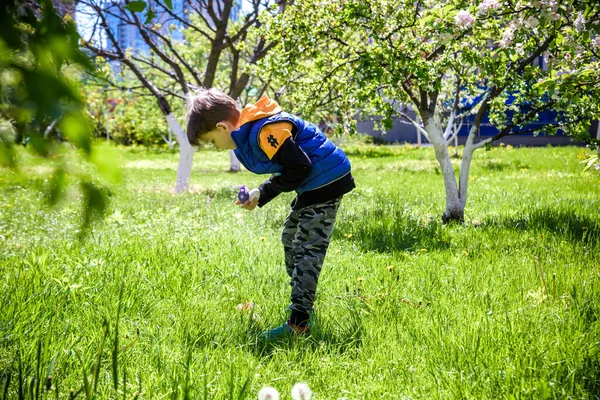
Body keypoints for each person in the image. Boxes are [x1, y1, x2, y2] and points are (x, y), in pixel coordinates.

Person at [186, 88, 355, 339]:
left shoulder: (265, 130)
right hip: (314, 183)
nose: (216, 147)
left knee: (307, 249)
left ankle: (299, 323)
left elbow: (300, 166)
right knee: (290, 238)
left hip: (325, 182)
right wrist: (261, 194)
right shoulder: (255, 130)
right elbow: (289, 167)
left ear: (222, 127)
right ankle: (303, 303)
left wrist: (267, 190)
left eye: (212, 142)